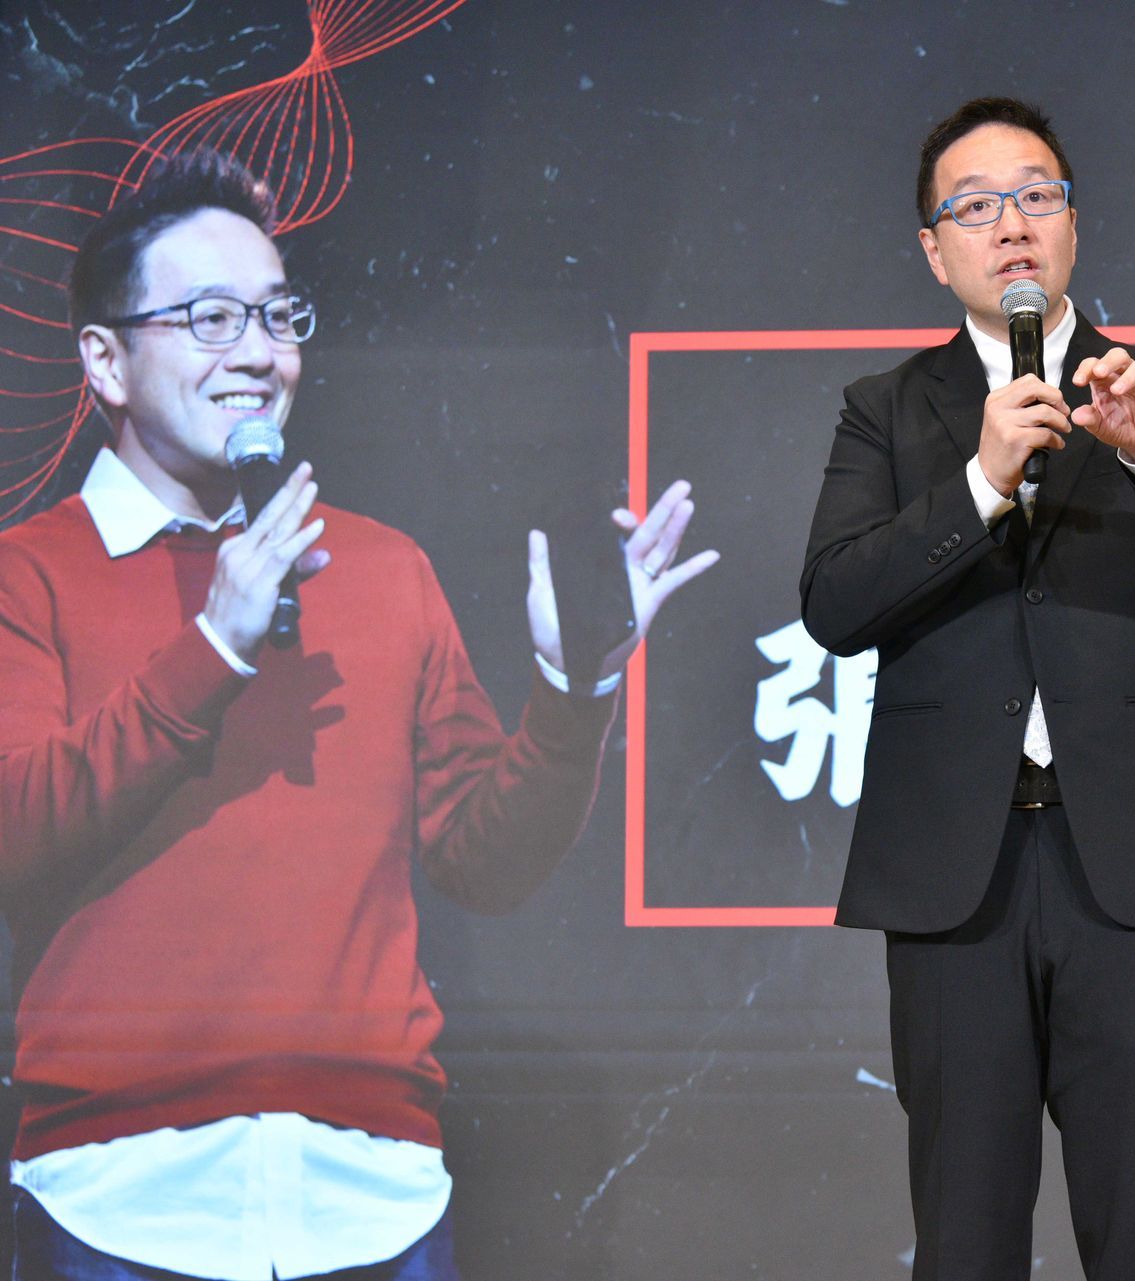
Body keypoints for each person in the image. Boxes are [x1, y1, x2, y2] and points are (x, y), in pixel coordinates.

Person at [0, 151, 715, 1279]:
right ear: (106, 360)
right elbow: (15, 834)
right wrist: (213, 650)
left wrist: (573, 693)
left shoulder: (383, 569)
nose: (257, 352)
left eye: (277, 316)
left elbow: (482, 862)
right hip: (119, 1199)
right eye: (209, 318)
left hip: (371, 1200)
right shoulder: (30, 575)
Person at [800, 98, 1135, 1280]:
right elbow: (835, 604)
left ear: (1073, 225)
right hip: (954, 880)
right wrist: (979, 482)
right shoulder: (887, 410)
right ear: (936, 250)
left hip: (1133, 868)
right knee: (965, 1237)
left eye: (1036, 196)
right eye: (977, 206)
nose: (1011, 225)